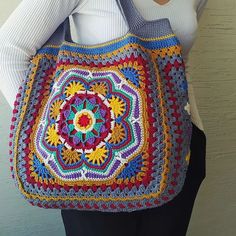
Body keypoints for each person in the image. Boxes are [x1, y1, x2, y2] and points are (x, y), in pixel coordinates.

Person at [0, 0, 208, 235]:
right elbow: (7, 50)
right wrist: (44, 126)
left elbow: (179, 62)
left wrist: (195, 132)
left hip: (177, 156)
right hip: (90, 164)